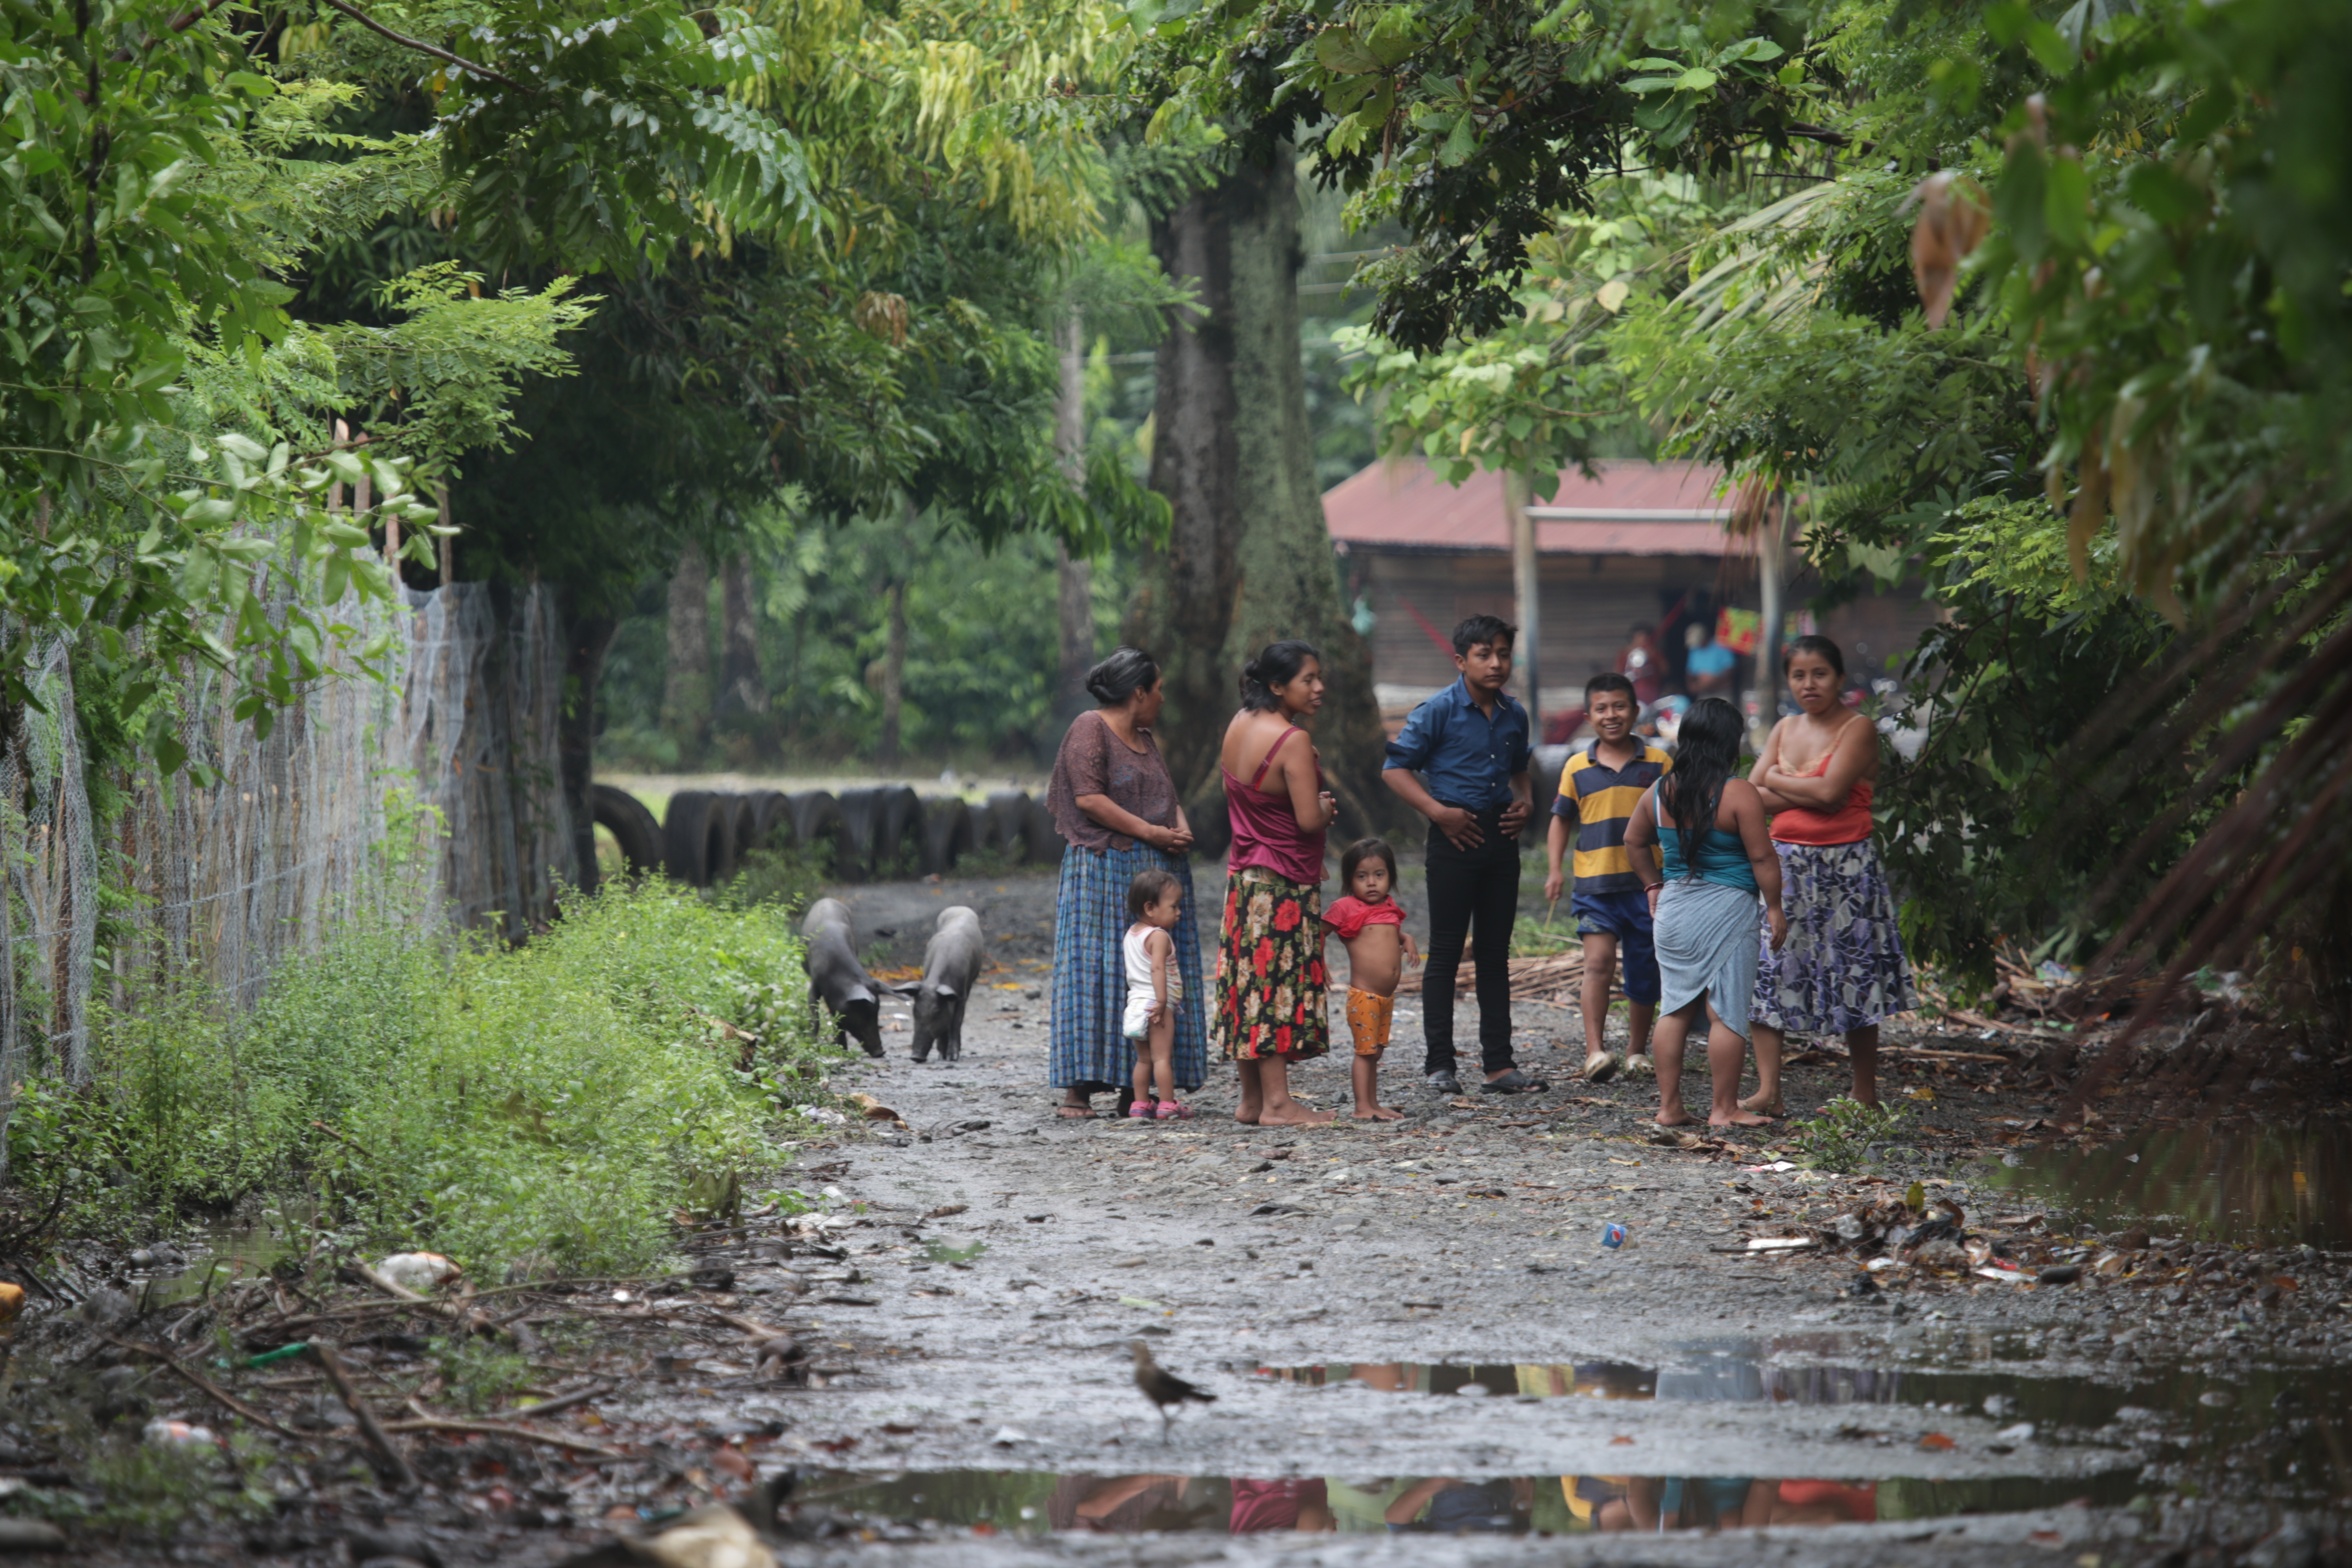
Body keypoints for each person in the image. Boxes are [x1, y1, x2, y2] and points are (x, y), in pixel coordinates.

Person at [1743, 634, 1917, 1112]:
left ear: (1839, 678)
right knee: (1771, 969)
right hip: (1786, 863)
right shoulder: (1783, 728)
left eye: (1819, 673)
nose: (1809, 684)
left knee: (1856, 972)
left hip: (1848, 864)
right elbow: (1751, 796)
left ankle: (1864, 1093)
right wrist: (1805, 786)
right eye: (1799, 675)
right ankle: (1769, 1091)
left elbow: (1831, 795)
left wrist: (1780, 781)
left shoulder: (1858, 728)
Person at [1381, 615, 1544, 1096]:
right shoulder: (1437, 711)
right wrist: (1438, 812)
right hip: (1452, 838)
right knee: (1447, 952)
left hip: (1501, 838)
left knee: (1495, 954)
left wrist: (1527, 804)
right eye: (1484, 654)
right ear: (1460, 660)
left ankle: (1499, 1065)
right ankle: (1440, 1065)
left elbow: (1520, 771)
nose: (1496, 664)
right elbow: (1395, 770)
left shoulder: (1515, 714)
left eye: (1502, 654)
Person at [1046, 648, 1203, 1119]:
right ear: (1139, 692)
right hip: (1100, 870)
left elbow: (1167, 797)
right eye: (1158, 689)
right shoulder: (1089, 728)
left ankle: (1136, 1090)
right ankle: (1078, 1091)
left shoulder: (1147, 739)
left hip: (1152, 876)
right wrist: (1153, 833)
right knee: (1094, 972)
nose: (1162, 698)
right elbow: (1090, 799)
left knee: (1149, 978)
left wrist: (1180, 828)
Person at [1622, 695, 1787, 1127]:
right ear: (1730, 743)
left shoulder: (1659, 792)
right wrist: (1774, 907)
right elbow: (1764, 859)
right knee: (1726, 1011)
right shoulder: (1738, 793)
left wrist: (1653, 885)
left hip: (1674, 910)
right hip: (1727, 911)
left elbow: (1633, 841)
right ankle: (1724, 1109)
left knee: (1673, 1007)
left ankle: (1669, 1107)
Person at [1214, 640, 1339, 1127]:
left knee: (1249, 984)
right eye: (1308, 679)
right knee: (1276, 987)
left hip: (1245, 880)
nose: (1319, 687)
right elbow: (1308, 819)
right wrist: (1327, 808)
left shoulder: (1238, 724)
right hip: (1282, 884)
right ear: (1276, 686)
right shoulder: (1292, 740)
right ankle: (1280, 1104)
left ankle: (1251, 1101)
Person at [1542, 673, 1669, 1084]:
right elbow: (1560, 820)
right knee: (1596, 964)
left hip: (1646, 887)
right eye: (1601, 708)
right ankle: (1595, 1050)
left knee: (1643, 967)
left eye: (1619, 707)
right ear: (1588, 716)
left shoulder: (1659, 763)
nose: (1611, 715)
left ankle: (1636, 1051)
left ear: (1635, 712)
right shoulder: (1577, 766)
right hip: (1595, 887)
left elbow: (1674, 821)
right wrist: (1555, 869)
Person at [1322, 837, 1419, 1121]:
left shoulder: (1389, 906)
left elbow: (1390, 929)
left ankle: (1373, 1104)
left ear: (1391, 876)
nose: (1372, 883)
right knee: (1364, 1053)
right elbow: (1318, 931)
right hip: (1364, 996)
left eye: (1379, 875)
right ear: (1350, 880)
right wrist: (1320, 963)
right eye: (1362, 876)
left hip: (1386, 997)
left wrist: (1408, 938)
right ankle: (1362, 1107)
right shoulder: (1345, 907)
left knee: (1375, 1053)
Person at [1122, 867, 1190, 1121]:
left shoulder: (1132, 934)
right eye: (1174, 907)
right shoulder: (1159, 935)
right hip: (1156, 1005)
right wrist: (1162, 1002)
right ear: (1151, 908)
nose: (1179, 913)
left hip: (1136, 1005)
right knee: (1162, 1058)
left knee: (1143, 1060)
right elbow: (1157, 968)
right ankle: (1167, 1104)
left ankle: (1139, 1105)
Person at [1615, 623, 1663, 708]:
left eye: (1646, 637)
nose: (1643, 639)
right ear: (1633, 637)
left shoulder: (1654, 653)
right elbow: (1618, 673)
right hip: (1631, 696)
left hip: (1652, 696)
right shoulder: (1625, 653)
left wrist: (1652, 656)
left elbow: (1665, 670)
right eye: (1639, 636)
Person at [1683, 621, 1735, 696]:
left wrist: (1715, 681)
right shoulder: (1694, 650)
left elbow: (1731, 668)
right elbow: (1690, 672)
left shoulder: (1720, 644)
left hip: (1722, 691)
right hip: (1704, 692)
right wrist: (1691, 685)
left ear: (1704, 637)